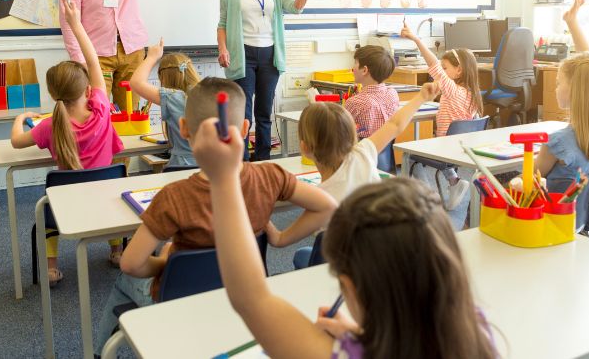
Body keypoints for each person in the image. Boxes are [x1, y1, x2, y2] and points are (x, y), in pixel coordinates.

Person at [191, 118, 497, 359]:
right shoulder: (475, 328)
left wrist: (223, 177)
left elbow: (250, 298)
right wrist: (359, 335)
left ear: (349, 288)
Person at [93, 77, 337, 355]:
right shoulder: (270, 175)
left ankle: (99, 352)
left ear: (184, 128)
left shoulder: (173, 196)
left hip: (179, 298)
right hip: (247, 292)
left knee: (123, 281)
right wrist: (280, 238)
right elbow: (327, 206)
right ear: (245, 129)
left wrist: (164, 263)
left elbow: (130, 263)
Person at [10, 0, 124, 286]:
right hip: (104, 200)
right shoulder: (100, 109)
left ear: (53, 94)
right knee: (115, 193)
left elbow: (15, 142)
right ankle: (117, 251)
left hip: (67, 206)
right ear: (88, 90)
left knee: (47, 206)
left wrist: (21, 117)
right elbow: (94, 61)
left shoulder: (49, 125)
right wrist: (75, 23)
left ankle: (50, 268)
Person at [217, 0, 331, 161]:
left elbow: (296, 7)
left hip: (269, 54)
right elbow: (222, 24)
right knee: (242, 113)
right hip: (243, 55)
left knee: (264, 112)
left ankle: (262, 160)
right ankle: (240, 161)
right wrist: (223, 48)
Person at [535, 0, 589, 232]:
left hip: (549, 220)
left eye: (559, 82)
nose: (555, 87)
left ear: (576, 91)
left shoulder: (558, 142)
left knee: (490, 183)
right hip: (577, 220)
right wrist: (572, 23)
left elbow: (530, 176)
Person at [297, 82, 440, 203]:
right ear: (352, 134)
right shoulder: (363, 152)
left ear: (305, 148)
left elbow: (281, 237)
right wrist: (421, 97)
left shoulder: (318, 198)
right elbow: (395, 124)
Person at [400, 23, 484, 209]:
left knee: (410, 155)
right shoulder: (472, 93)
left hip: (446, 148)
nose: (441, 73)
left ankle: (431, 194)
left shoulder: (453, 91)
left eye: (445, 69)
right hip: (462, 148)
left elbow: (432, 64)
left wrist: (415, 39)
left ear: (459, 70)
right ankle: (453, 181)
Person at [130, 38, 200, 168]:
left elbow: (136, 83)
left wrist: (151, 57)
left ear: (164, 78)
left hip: (182, 168)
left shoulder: (174, 97)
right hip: (212, 169)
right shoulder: (209, 93)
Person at [344, 45, 399, 139]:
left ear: (365, 70)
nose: (352, 69)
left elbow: (339, 131)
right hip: (385, 151)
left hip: (360, 152)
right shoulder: (392, 94)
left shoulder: (355, 102)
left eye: (355, 63)